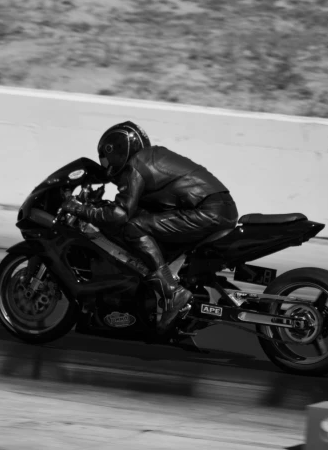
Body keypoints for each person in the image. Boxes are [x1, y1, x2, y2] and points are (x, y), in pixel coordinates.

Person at [63, 121, 239, 339]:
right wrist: (98, 206)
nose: (106, 165)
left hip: (208, 211)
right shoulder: (149, 159)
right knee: (140, 221)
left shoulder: (135, 165)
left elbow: (121, 215)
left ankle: (171, 292)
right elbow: (138, 207)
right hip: (216, 208)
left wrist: (77, 208)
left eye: (106, 158)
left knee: (133, 227)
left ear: (117, 150)